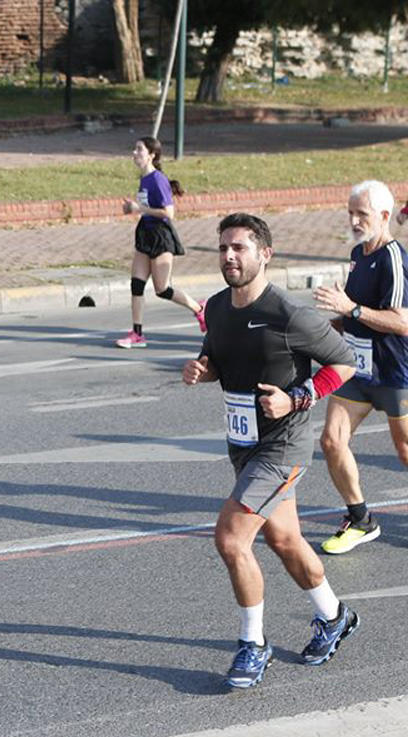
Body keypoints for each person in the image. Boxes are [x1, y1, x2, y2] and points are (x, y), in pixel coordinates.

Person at [183, 212, 359, 689]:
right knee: (284, 540)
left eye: (239, 248)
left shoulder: (289, 314)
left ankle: (253, 643)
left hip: (283, 447)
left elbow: (344, 362)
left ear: (265, 254)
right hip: (243, 444)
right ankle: (334, 615)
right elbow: (217, 359)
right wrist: (201, 369)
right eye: (223, 248)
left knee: (231, 539)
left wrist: (297, 398)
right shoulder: (218, 308)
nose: (229, 256)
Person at [313, 180, 408, 554]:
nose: (353, 220)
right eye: (350, 212)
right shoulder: (358, 253)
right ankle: (361, 519)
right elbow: (354, 313)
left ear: (384, 216)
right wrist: (322, 327)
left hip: (395, 372)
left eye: (361, 214)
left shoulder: (393, 259)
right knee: (332, 440)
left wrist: (350, 309)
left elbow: (401, 322)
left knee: (405, 452)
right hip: (358, 369)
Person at [116, 137, 206, 349]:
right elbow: (146, 207)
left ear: (151, 155)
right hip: (145, 233)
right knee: (136, 285)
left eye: (139, 149)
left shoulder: (158, 179)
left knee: (162, 289)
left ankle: (199, 309)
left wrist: (139, 208)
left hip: (160, 236)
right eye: (135, 148)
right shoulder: (144, 178)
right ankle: (137, 334)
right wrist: (133, 209)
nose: (134, 153)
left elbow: (169, 213)